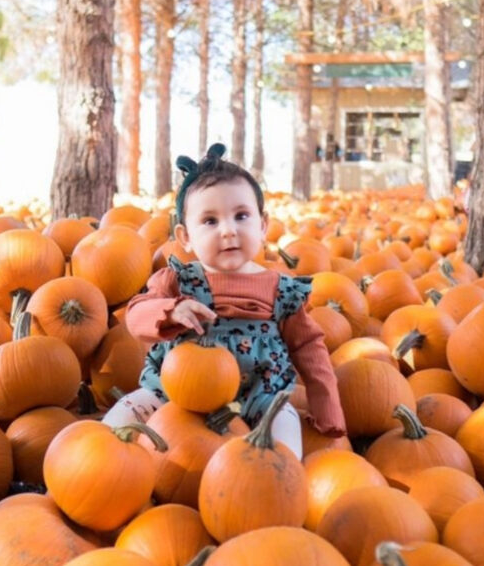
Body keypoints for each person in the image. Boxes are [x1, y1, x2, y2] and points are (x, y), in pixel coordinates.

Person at [101, 143, 347, 459]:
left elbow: (309, 348)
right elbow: (136, 316)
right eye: (210, 221)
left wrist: (327, 407)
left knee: (284, 445)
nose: (228, 231)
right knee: (122, 417)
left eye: (241, 216)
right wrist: (171, 310)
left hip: (259, 401)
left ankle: (275, 492)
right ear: (185, 235)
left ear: (262, 226)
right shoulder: (178, 281)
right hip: (174, 394)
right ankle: (84, 470)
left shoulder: (280, 290)